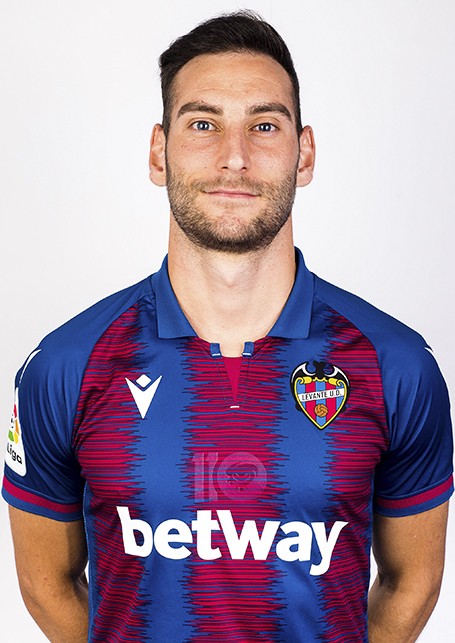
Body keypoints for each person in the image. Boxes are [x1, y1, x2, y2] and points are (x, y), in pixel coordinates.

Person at [2, 10, 453, 643]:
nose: (234, 157)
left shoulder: (397, 366)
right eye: (203, 124)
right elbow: (45, 583)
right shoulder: (64, 366)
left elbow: (412, 582)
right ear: (159, 153)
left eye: (264, 125)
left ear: (304, 154)